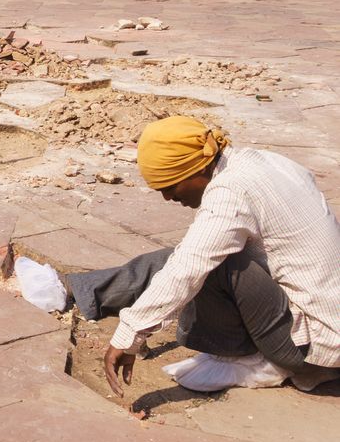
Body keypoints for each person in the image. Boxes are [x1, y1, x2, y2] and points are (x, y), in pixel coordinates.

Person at [65, 117, 340, 395]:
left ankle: (236, 356)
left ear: (198, 169)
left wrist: (129, 335)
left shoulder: (230, 192)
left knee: (215, 263)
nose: (168, 199)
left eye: (170, 187)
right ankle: (82, 289)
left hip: (314, 347)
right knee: (198, 247)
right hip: (325, 327)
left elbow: (189, 268)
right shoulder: (263, 161)